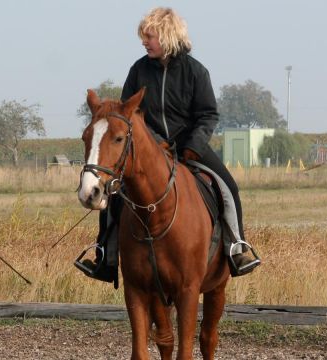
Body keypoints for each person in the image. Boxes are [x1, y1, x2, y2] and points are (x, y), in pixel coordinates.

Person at [77, 7, 261, 282]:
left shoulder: (196, 72)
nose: (144, 42)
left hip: (190, 148)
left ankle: (236, 246)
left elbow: (208, 114)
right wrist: (154, 142)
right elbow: (127, 116)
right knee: (114, 194)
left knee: (227, 187)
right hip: (150, 151)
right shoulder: (138, 70)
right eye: (144, 37)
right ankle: (104, 254)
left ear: (168, 36)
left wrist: (193, 145)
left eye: (149, 36)